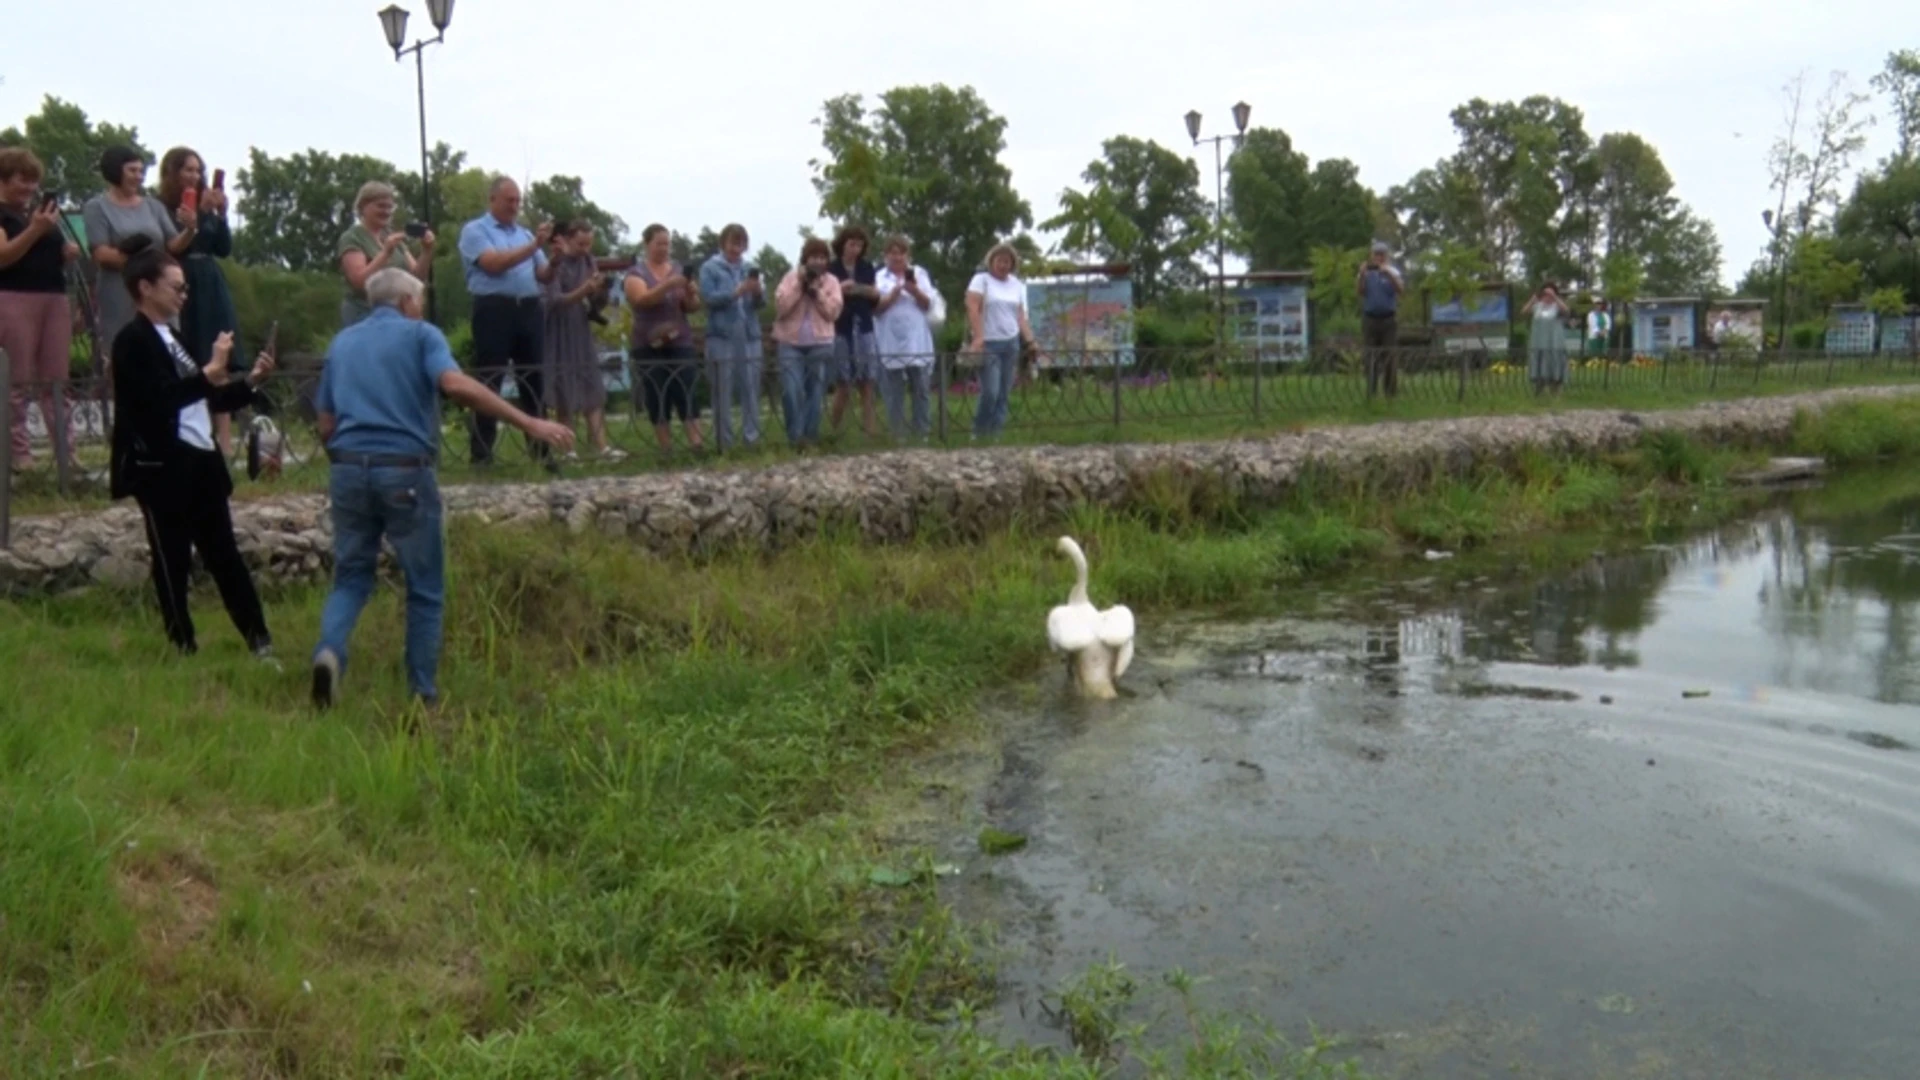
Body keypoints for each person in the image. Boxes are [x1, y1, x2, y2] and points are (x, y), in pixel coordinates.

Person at [310, 268, 575, 709]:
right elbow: (453, 385)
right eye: (419, 298)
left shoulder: (342, 343)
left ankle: (329, 651)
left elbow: (325, 422)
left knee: (352, 576)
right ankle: (422, 695)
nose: (422, 305)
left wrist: (346, 459)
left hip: (349, 469)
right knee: (424, 585)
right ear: (407, 301)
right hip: (406, 470)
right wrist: (528, 421)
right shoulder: (421, 335)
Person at [106, 235, 277, 659]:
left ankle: (259, 640)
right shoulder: (132, 341)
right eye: (176, 287)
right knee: (172, 561)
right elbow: (158, 399)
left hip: (201, 462)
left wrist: (249, 382)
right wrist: (209, 373)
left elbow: (207, 397)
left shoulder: (175, 341)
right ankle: (182, 645)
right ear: (145, 287)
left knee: (226, 557)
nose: (184, 295)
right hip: (162, 466)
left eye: (185, 288)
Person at [458, 176, 554, 466]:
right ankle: (482, 454)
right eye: (509, 200)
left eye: (517, 201)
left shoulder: (523, 234)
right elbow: (494, 264)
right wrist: (534, 245)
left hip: (528, 308)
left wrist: (558, 258)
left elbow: (543, 275)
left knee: (533, 379)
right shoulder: (475, 231)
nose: (514, 206)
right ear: (493, 200)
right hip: (494, 309)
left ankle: (541, 451)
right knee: (490, 380)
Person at [158, 147, 247, 457]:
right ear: (173, 173)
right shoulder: (165, 208)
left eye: (198, 170)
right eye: (188, 170)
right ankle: (193, 435)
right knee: (192, 359)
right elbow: (174, 247)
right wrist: (192, 221)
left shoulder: (207, 205)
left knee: (219, 355)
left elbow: (223, 248)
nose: (194, 176)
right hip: (183, 278)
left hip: (211, 280)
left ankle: (224, 441)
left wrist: (220, 214)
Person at [0, 147, 79, 473]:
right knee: (17, 380)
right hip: (14, 296)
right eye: (23, 179)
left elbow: (49, 253)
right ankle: (19, 455)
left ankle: (66, 453)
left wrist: (66, 251)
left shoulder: (40, 214)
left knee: (57, 379)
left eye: (34, 182)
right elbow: (4, 256)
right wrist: (34, 230)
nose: (30, 188)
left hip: (53, 296)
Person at [84, 146, 196, 352]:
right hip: (120, 289)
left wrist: (190, 229)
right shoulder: (97, 207)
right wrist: (141, 264)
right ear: (115, 171)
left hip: (159, 287)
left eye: (141, 171)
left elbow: (173, 245)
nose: (139, 176)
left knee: (167, 346)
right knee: (124, 350)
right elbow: (100, 253)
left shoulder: (153, 206)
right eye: (132, 171)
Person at [542, 221, 622, 461]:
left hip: (581, 327)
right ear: (567, 239)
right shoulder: (555, 263)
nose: (585, 248)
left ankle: (601, 446)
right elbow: (554, 300)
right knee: (563, 388)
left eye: (589, 244)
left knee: (592, 385)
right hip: (559, 329)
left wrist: (599, 293)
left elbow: (594, 302)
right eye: (580, 243)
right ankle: (568, 449)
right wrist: (584, 290)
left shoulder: (589, 261)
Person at [623, 224, 706, 454]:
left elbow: (693, 306)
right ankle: (666, 447)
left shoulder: (678, 269)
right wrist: (668, 285)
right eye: (659, 243)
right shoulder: (635, 274)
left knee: (686, 389)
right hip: (648, 342)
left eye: (666, 244)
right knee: (657, 394)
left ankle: (696, 443)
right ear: (647, 244)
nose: (663, 248)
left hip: (679, 340)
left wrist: (690, 293)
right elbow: (641, 300)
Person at [771, 237, 843, 449]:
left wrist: (817, 292)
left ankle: (810, 437)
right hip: (790, 343)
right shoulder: (791, 277)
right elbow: (781, 307)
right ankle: (795, 437)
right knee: (791, 390)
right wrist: (800, 286)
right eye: (814, 257)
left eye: (822, 257)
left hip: (820, 343)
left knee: (816, 391)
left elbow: (833, 313)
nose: (818, 262)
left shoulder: (832, 282)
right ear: (805, 259)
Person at [698, 223, 766, 450]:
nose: (737, 249)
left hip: (749, 333)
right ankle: (724, 442)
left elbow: (760, 305)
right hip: (722, 334)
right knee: (722, 390)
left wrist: (757, 293)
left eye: (741, 243)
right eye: (733, 243)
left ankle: (751, 439)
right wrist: (736, 292)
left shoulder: (750, 268)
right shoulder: (710, 268)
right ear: (723, 243)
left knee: (750, 388)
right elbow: (708, 298)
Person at [337, 180, 434, 329]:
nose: (387, 211)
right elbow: (359, 282)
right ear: (363, 206)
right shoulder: (352, 237)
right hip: (364, 315)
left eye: (390, 207)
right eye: (381, 206)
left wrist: (426, 251)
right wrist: (385, 253)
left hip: (398, 316)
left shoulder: (390, 236)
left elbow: (416, 278)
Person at [966, 242, 1036, 439]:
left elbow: (1020, 316)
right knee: (990, 392)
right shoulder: (981, 280)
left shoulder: (1016, 284)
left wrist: (1030, 340)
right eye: (1000, 261)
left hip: (1010, 341)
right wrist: (978, 336)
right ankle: (979, 432)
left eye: (1007, 262)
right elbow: (972, 307)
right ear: (992, 261)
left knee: (1004, 392)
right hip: (989, 342)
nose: (1003, 265)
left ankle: (996, 433)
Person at [873, 234, 938, 442]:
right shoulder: (879, 277)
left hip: (916, 340)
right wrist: (893, 295)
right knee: (894, 393)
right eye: (892, 253)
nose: (897, 257)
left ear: (907, 255)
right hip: (890, 341)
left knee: (921, 390)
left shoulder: (919, 273)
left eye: (901, 253)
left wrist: (914, 290)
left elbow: (928, 304)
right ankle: (897, 435)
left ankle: (922, 434)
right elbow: (875, 309)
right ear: (885, 256)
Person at [827, 225, 879, 439]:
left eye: (859, 245)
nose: (855, 249)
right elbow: (827, 295)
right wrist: (842, 288)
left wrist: (860, 290)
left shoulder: (867, 267)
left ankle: (870, 431)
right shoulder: (831, 269)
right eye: (851, 244)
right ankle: (833, 430)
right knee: (844, 382)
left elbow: (875, 295)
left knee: (867, 382)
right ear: (842, 244)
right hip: (841, 328)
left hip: (864, 326)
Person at [1357, 241, 1402, 399]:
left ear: (1386, 256)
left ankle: (1390, 393)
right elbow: (1361, 292)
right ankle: (1371, 391)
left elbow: (1400, 290)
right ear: (1372, 256)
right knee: (1370, 356)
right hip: (1370, 319)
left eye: (1382, 254)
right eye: (1376, 254)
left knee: (1389, 356)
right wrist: (1362, 275)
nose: (1379, 257)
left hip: (1388, 319)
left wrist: (1387, 274)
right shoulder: (1367, 273)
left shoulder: (1393, 272)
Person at [1523, 281, 1571, 395]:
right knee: (1539, 365)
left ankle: (1555, 390)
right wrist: (1532, 301)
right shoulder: (1537, 306)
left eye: (1550, 294)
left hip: (1554, 342)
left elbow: (1566, 310)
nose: (1548, 297)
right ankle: (1539, 389)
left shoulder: (1556, 306)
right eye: (1546, 294)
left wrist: (1555, 297)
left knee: (1554, 364)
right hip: (1539, 342)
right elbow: (1524, 312)